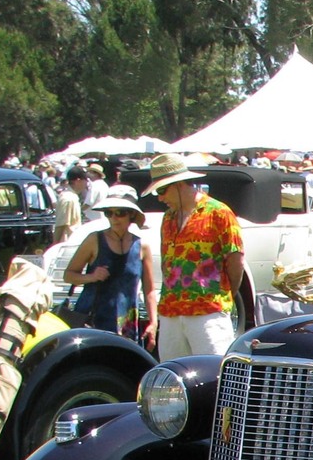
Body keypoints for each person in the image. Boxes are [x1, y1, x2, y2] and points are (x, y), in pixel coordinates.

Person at [143, 153, 245, 359]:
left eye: (162, 190)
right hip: (171, 312)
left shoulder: (218, 212)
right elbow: (166, 263)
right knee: (173, 379)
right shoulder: (167, 218)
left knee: (213, 376)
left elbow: (236, 262)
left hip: (208, 311)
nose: (160, 198)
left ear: (180, 184)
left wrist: (224, 296)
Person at [61, 188, 155, 345]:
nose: (114, 218)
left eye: (120, 213)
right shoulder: (94, 240)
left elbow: (149, 290)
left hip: (126, 323)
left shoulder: (142, 246)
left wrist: (153, 323)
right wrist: (91, 277)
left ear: (131, 214)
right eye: (108, 213)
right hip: (92, 318)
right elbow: (69, 275)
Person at [54, 166, 86, 244]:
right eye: (85, 180)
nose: (86, 184)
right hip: (67, 243)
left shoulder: (72, 197)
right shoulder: (68, 198)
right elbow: (61, 224)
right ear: (78, 181)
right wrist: (55, 245)